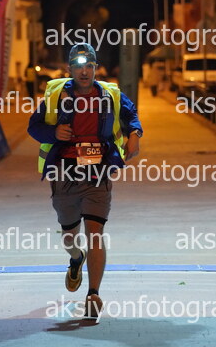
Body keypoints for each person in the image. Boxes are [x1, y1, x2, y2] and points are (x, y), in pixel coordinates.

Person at [28, 43, 143, 319]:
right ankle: (76, 258)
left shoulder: (109, 94)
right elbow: (34, 126)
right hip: (65, 174)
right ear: (70, 69)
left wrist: (135, 134)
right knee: (70, 236)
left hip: (97, 173)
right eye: (79, 67)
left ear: (95, 68)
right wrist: (54, 132)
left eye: (89, 66)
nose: (84, 72)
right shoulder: (56, 96)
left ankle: (93, 293)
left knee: (95, 233)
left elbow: (130, 114)